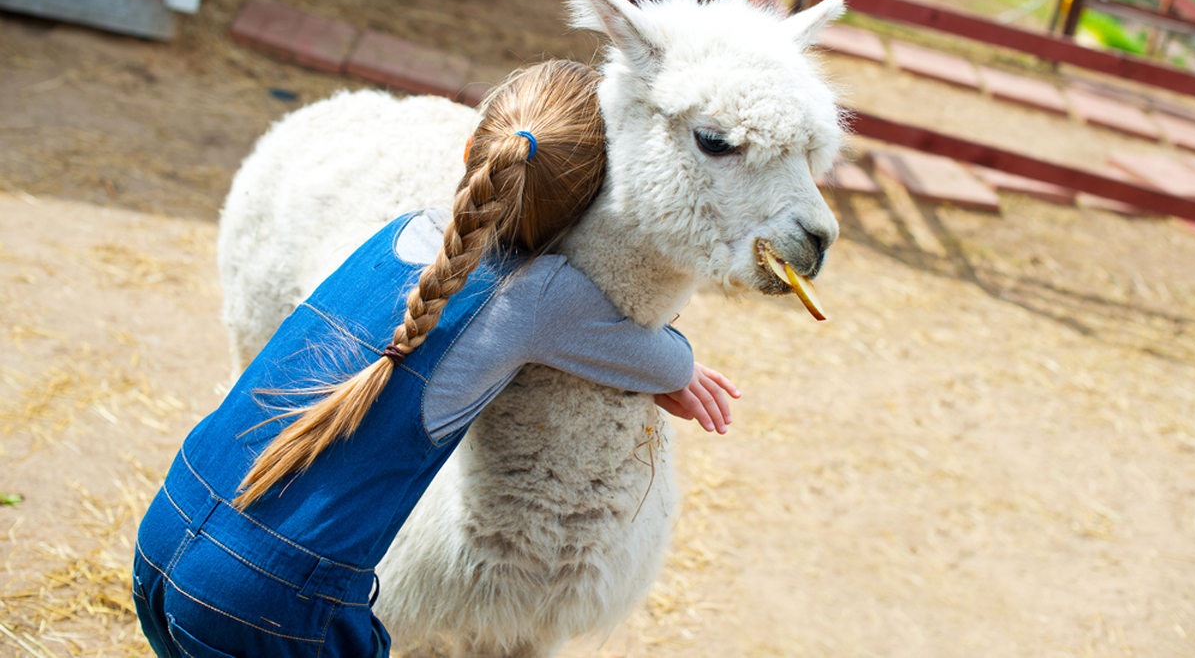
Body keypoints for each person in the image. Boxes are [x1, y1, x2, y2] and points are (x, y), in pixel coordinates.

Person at [132, 60, 739, 658]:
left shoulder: (397, 231)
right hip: (278, 604)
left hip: (168, 530)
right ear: (592, 199)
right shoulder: (538, 296)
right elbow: (664, 358)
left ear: (470, 147)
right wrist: (679, 370)